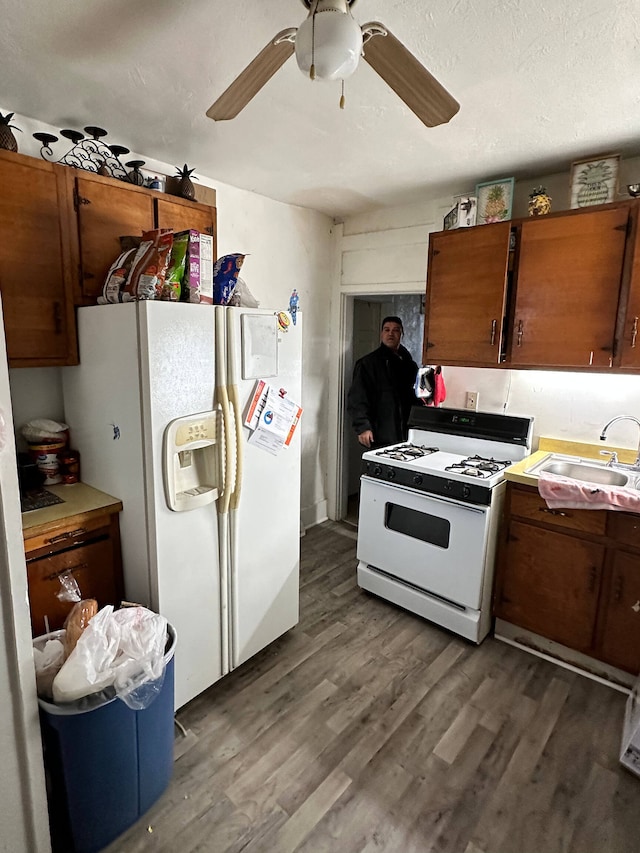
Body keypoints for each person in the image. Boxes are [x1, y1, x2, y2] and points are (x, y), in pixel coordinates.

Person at [347, 316, 420, 449]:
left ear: (401, 334)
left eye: (395, 330)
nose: (391, 333)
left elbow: (416, 398)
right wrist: (363, 427)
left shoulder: (410, 366)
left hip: (407, 433)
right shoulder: (368, 364)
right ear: (381, 334)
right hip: (380, 433)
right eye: (387, 330)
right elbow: (357, 399)